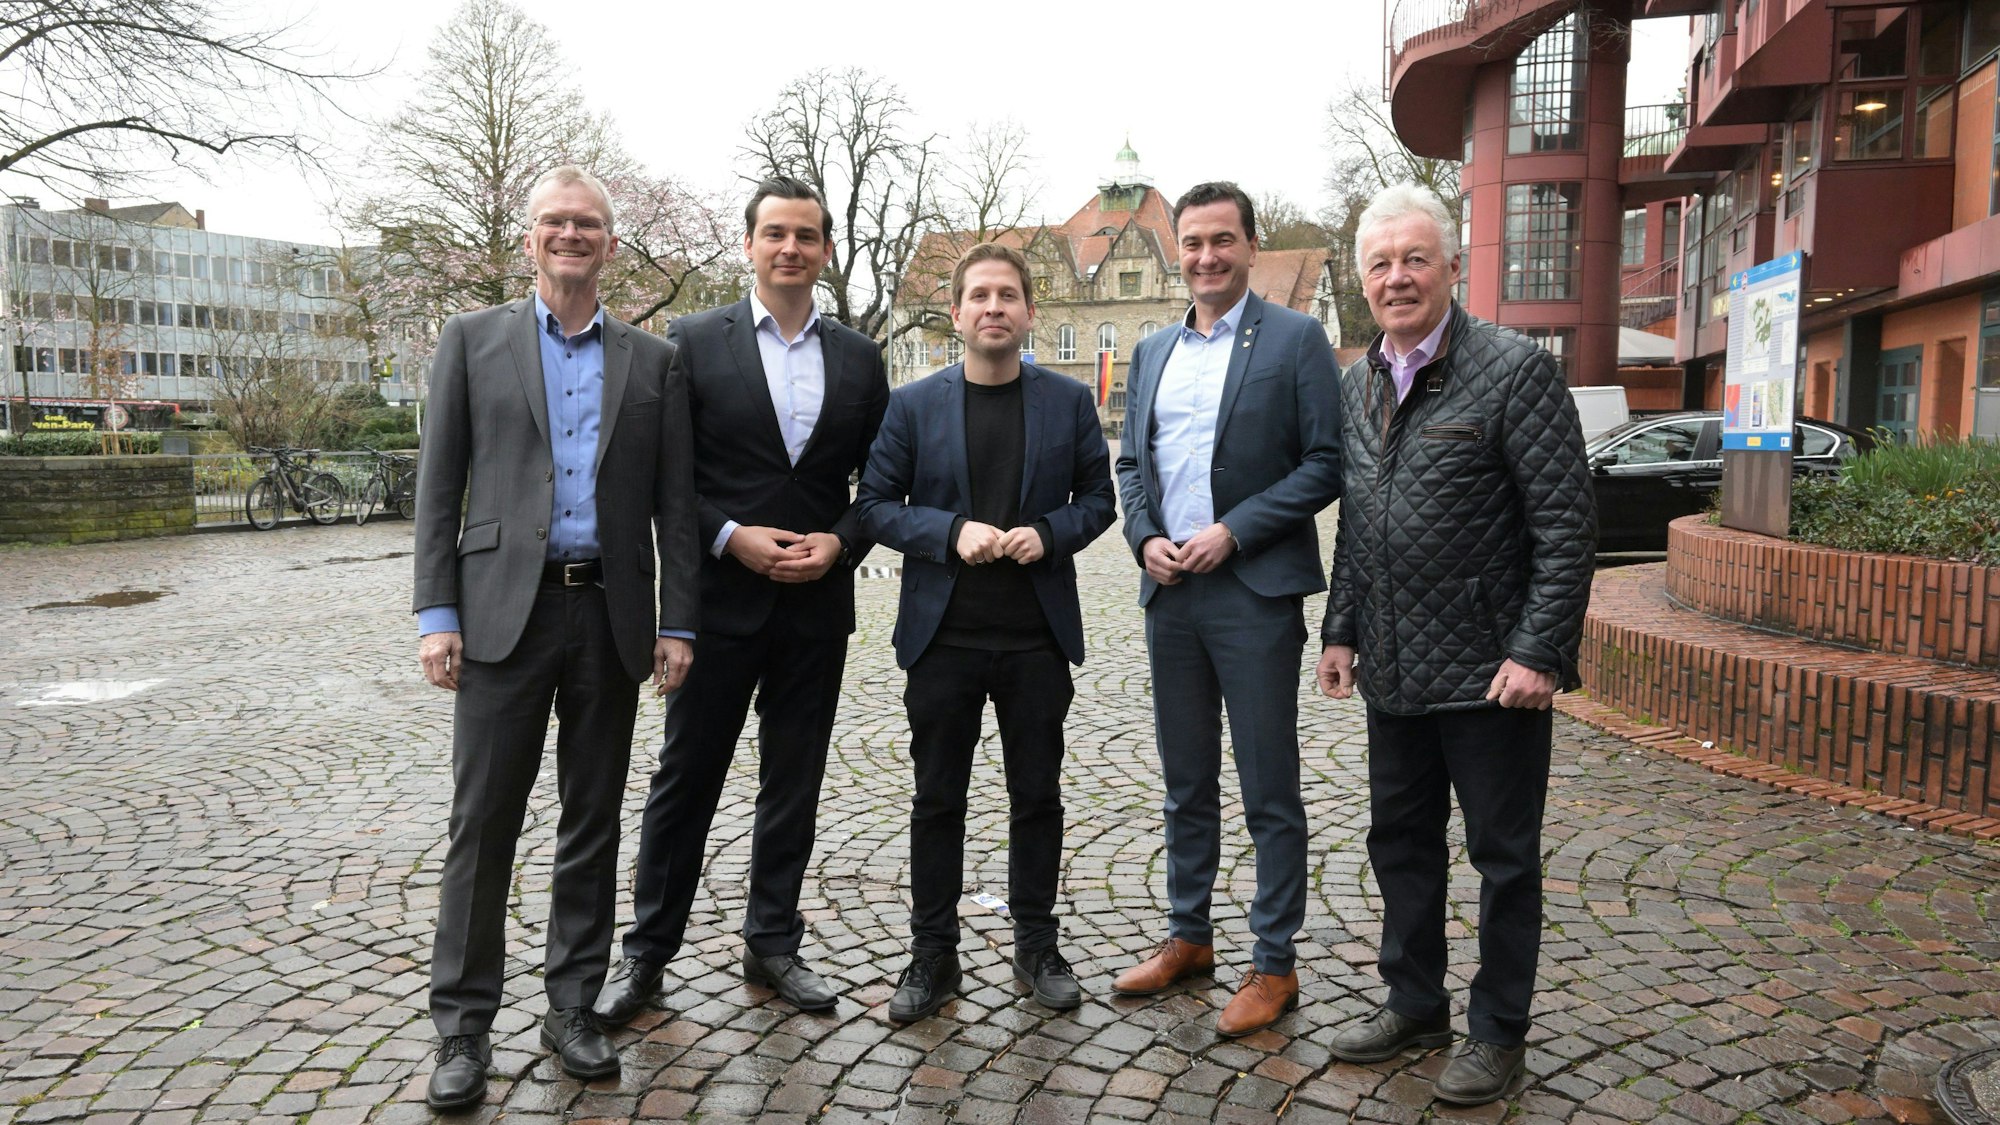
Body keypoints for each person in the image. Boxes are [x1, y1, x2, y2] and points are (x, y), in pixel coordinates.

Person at [411, 165, 699, 1110]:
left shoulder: (653, 362)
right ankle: (463, 1027)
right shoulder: (471, 341)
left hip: (608, 613)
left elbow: (675, 505)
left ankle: (572, 1003)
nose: (571, 236)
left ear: (611, 245)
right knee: (481, 823)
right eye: (555, 223)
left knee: (591, 819)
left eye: (589, 225)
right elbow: (438, 485)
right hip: (501, 612)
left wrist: (677, 621)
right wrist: (435, 612)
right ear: (532, 239)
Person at [1316, 183, 1595, 1106]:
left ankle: (1497, 1029)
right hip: (1394, 670)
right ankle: (1414, 998)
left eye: (1414, 260)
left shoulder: (1515, 371)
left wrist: (1540, 649)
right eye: (1380, 265)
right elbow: (1360, 521)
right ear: (1363, 281)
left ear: (1449, 265)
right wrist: (1341, 630)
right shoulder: (1360, 381)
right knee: (1400, 842)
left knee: (1503, 856)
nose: (1397, 279)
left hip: (1492, 675)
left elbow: (1565, 524)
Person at [593, 177, 889, 1024]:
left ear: (825, 251)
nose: (790, 248)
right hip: (716, 603)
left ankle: (773, 940)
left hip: (815, 604)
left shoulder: (860, 360)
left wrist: (841, 540)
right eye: (774, 234)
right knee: (685, 778)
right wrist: (731, 536)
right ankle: (647, 952)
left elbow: (882, 483)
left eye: (805, 235)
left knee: (794, 779)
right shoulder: (691, 343)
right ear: (749, 244)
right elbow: (666, 478)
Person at [855, 242, 1117, 1024]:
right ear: (959, 312)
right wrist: (948, 530)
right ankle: (933, 953)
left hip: (1036, 636)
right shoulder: (913, 404)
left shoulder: (1067, 403)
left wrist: (1050, 532)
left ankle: (1037, 944)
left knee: (1036, 796)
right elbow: (873, 505)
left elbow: (1100, 498)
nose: (994, 307)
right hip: (944, 640)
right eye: (980, 295)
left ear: (1029, 311)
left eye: (1008, 294)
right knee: (938, 799)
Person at [1111, 182, 1342, 1037]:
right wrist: (1143, 539)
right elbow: (1130, 466)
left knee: (1267, 785)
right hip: (1169, 594)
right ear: (1180, 251)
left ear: (1250, 245)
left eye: (1222, 240)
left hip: (1252, 591)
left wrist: (1233, 533)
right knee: (1185, 781)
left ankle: (1274, 962)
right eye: (1193, 242)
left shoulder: (1295, 339)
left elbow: (1326, 462)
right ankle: (1189, 934)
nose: (1206, 256)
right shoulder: (1150, 353)